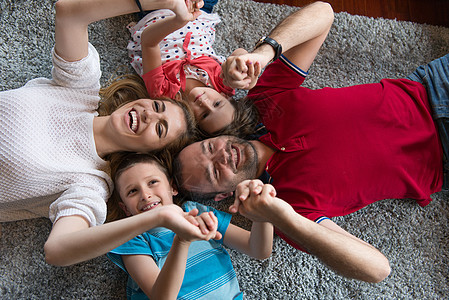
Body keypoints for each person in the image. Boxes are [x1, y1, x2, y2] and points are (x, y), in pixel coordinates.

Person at [172, 0, 449, 283]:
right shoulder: (287, 207)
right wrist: (282, 217)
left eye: (209, 147)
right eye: (215, 172)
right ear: (222, 196)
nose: (222, 156)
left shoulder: (262, 103)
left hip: (432, 86)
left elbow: (323, 13)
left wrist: (264, 54)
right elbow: (377, 269)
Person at [0, 0, 211, 267]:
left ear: (145, 153)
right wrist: (163, 3)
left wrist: (157, 217)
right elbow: (69, 13)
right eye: (157, 106)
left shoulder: (89, 185)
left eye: (160, 128)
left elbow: (58, 251)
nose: (149, 115)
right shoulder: (81, 88)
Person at [106, 152, 273, 299]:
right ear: (125, 209)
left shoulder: (198, 211)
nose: (145, 195)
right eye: (132, 191)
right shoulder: (131, 238)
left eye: (152, 182)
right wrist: (182, 241)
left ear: (173, 187)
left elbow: (258, 250)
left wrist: (263, 213)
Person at [127, 0, 260, 137]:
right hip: (199, 12)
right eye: (217, 103)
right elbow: (239, 52)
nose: (205, 103)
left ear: (192, 122)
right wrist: (243, 62)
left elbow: (149, 44)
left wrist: (179, 20)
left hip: (157, 12)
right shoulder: (223, 82)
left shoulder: (165, 95)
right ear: (225, 96)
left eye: (204, 115)